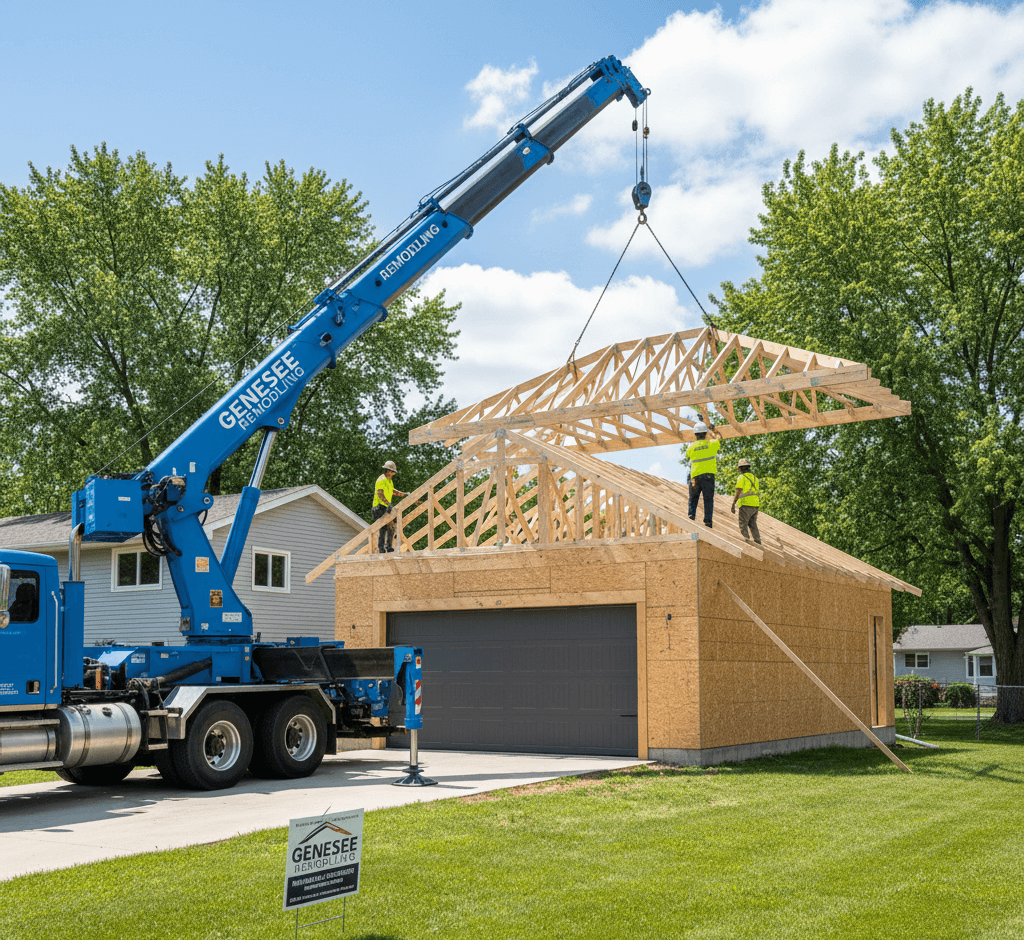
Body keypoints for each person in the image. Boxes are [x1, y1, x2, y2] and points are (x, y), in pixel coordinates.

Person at [686, 420, 722, 528]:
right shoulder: (712, 444)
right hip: (708, 477)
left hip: (695, 477)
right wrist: (713, 429)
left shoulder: (691, 447)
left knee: (693, 498)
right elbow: (719, 437)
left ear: (695, 434)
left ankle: (691, 515)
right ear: (706, 433)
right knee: (708, 499)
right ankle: (708, 521)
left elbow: (688, 454)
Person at [372, 460, 409, 553]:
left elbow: (393, 491)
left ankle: (388, 546)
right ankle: (382, 548)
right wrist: (388, 503)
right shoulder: (381, 480)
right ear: (388, 471)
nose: (393, 474)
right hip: (378, 507)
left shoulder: (389, 480)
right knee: (384, 527)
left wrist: (403, 494)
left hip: (385, 506)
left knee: (392, 525)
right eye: (393, 472)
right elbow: (380, 494)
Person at [730, 458, 762, 544]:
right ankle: (758, 542)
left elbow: (738, 491)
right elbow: (756, 491)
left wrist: (733, 504)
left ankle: (746, 544)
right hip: (755, 504)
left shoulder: (741, 477)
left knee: (743, 524)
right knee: (752, 524)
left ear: (740, 469)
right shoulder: (755, 478)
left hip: (745, 504)